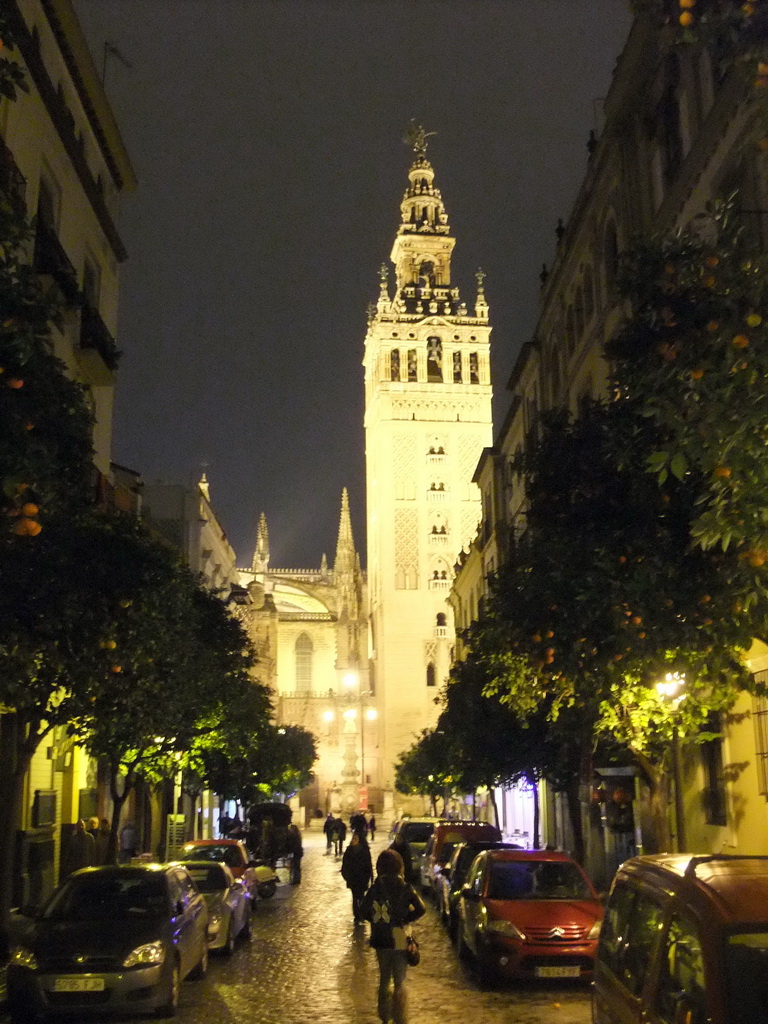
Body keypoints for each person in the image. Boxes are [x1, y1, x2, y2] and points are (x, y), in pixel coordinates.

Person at [361, 849, 425, 1024]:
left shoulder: (376, 887)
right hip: (398, 934)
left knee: (384, 977)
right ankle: (400, 1016)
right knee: (399, 980)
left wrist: (378, 920)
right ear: (399, 866)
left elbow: (363, 911)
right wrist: (405, 919)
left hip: (380, 936)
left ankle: (384, 1014)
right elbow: (421, 909)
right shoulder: (405, 887)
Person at [341, 831, 373, 922]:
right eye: (353, 838)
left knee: (361, 896)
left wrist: (370, 876)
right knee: (355, 897)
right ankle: (357, 915)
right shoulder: (349, 850)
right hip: (353, 878)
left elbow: (368, 865)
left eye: (356, 838)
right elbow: (345, 864)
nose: (354, 840)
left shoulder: (365, 850)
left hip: (362, 878)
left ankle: (362, 914)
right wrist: (346, 875)